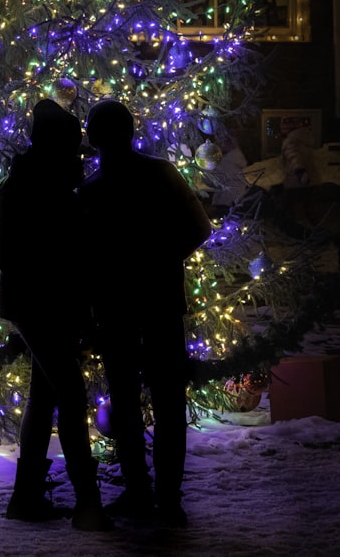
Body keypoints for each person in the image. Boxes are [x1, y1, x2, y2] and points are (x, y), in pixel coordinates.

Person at [78, 99, 211, 528]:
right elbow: (199, 228)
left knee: (126, 402)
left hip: (116, 308)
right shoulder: (161, 174)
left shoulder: (93, 191)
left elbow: (84, 259)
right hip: (160, 300)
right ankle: (168, 498)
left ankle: (139, 492)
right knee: (169, 401)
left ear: (94, 138)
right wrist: (162, 261)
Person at [0, 99, 113, 532]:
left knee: (45, 395)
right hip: (40, 304)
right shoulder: (38, 186)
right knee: (69, 391)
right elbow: (14, 253)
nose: (79, 153)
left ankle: (26, 497)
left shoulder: (41, 182)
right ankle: (87, 502)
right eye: (73, 145)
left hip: (42, 303)